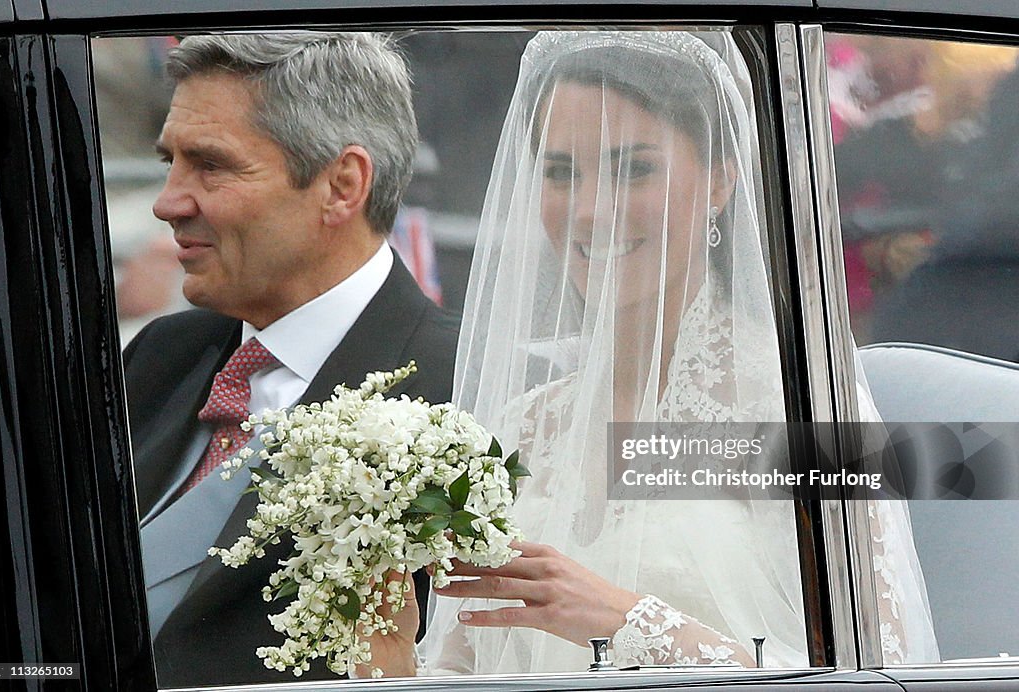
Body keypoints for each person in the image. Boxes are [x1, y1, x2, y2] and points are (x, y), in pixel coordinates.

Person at [362, 30, 938, 676]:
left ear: (720, 181)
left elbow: (882, 673)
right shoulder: (523, 427)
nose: (590, 209)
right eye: (560, 173)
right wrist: (385, 658)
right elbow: (462, 673)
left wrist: (625, 621)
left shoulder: (803, 406)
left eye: (632, 168)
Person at [122, 32, 458, 687]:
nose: (168, 201)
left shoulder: (461, 390)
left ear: (342, 185)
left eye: (210, 165)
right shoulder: (161, 355)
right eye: (171, 163)